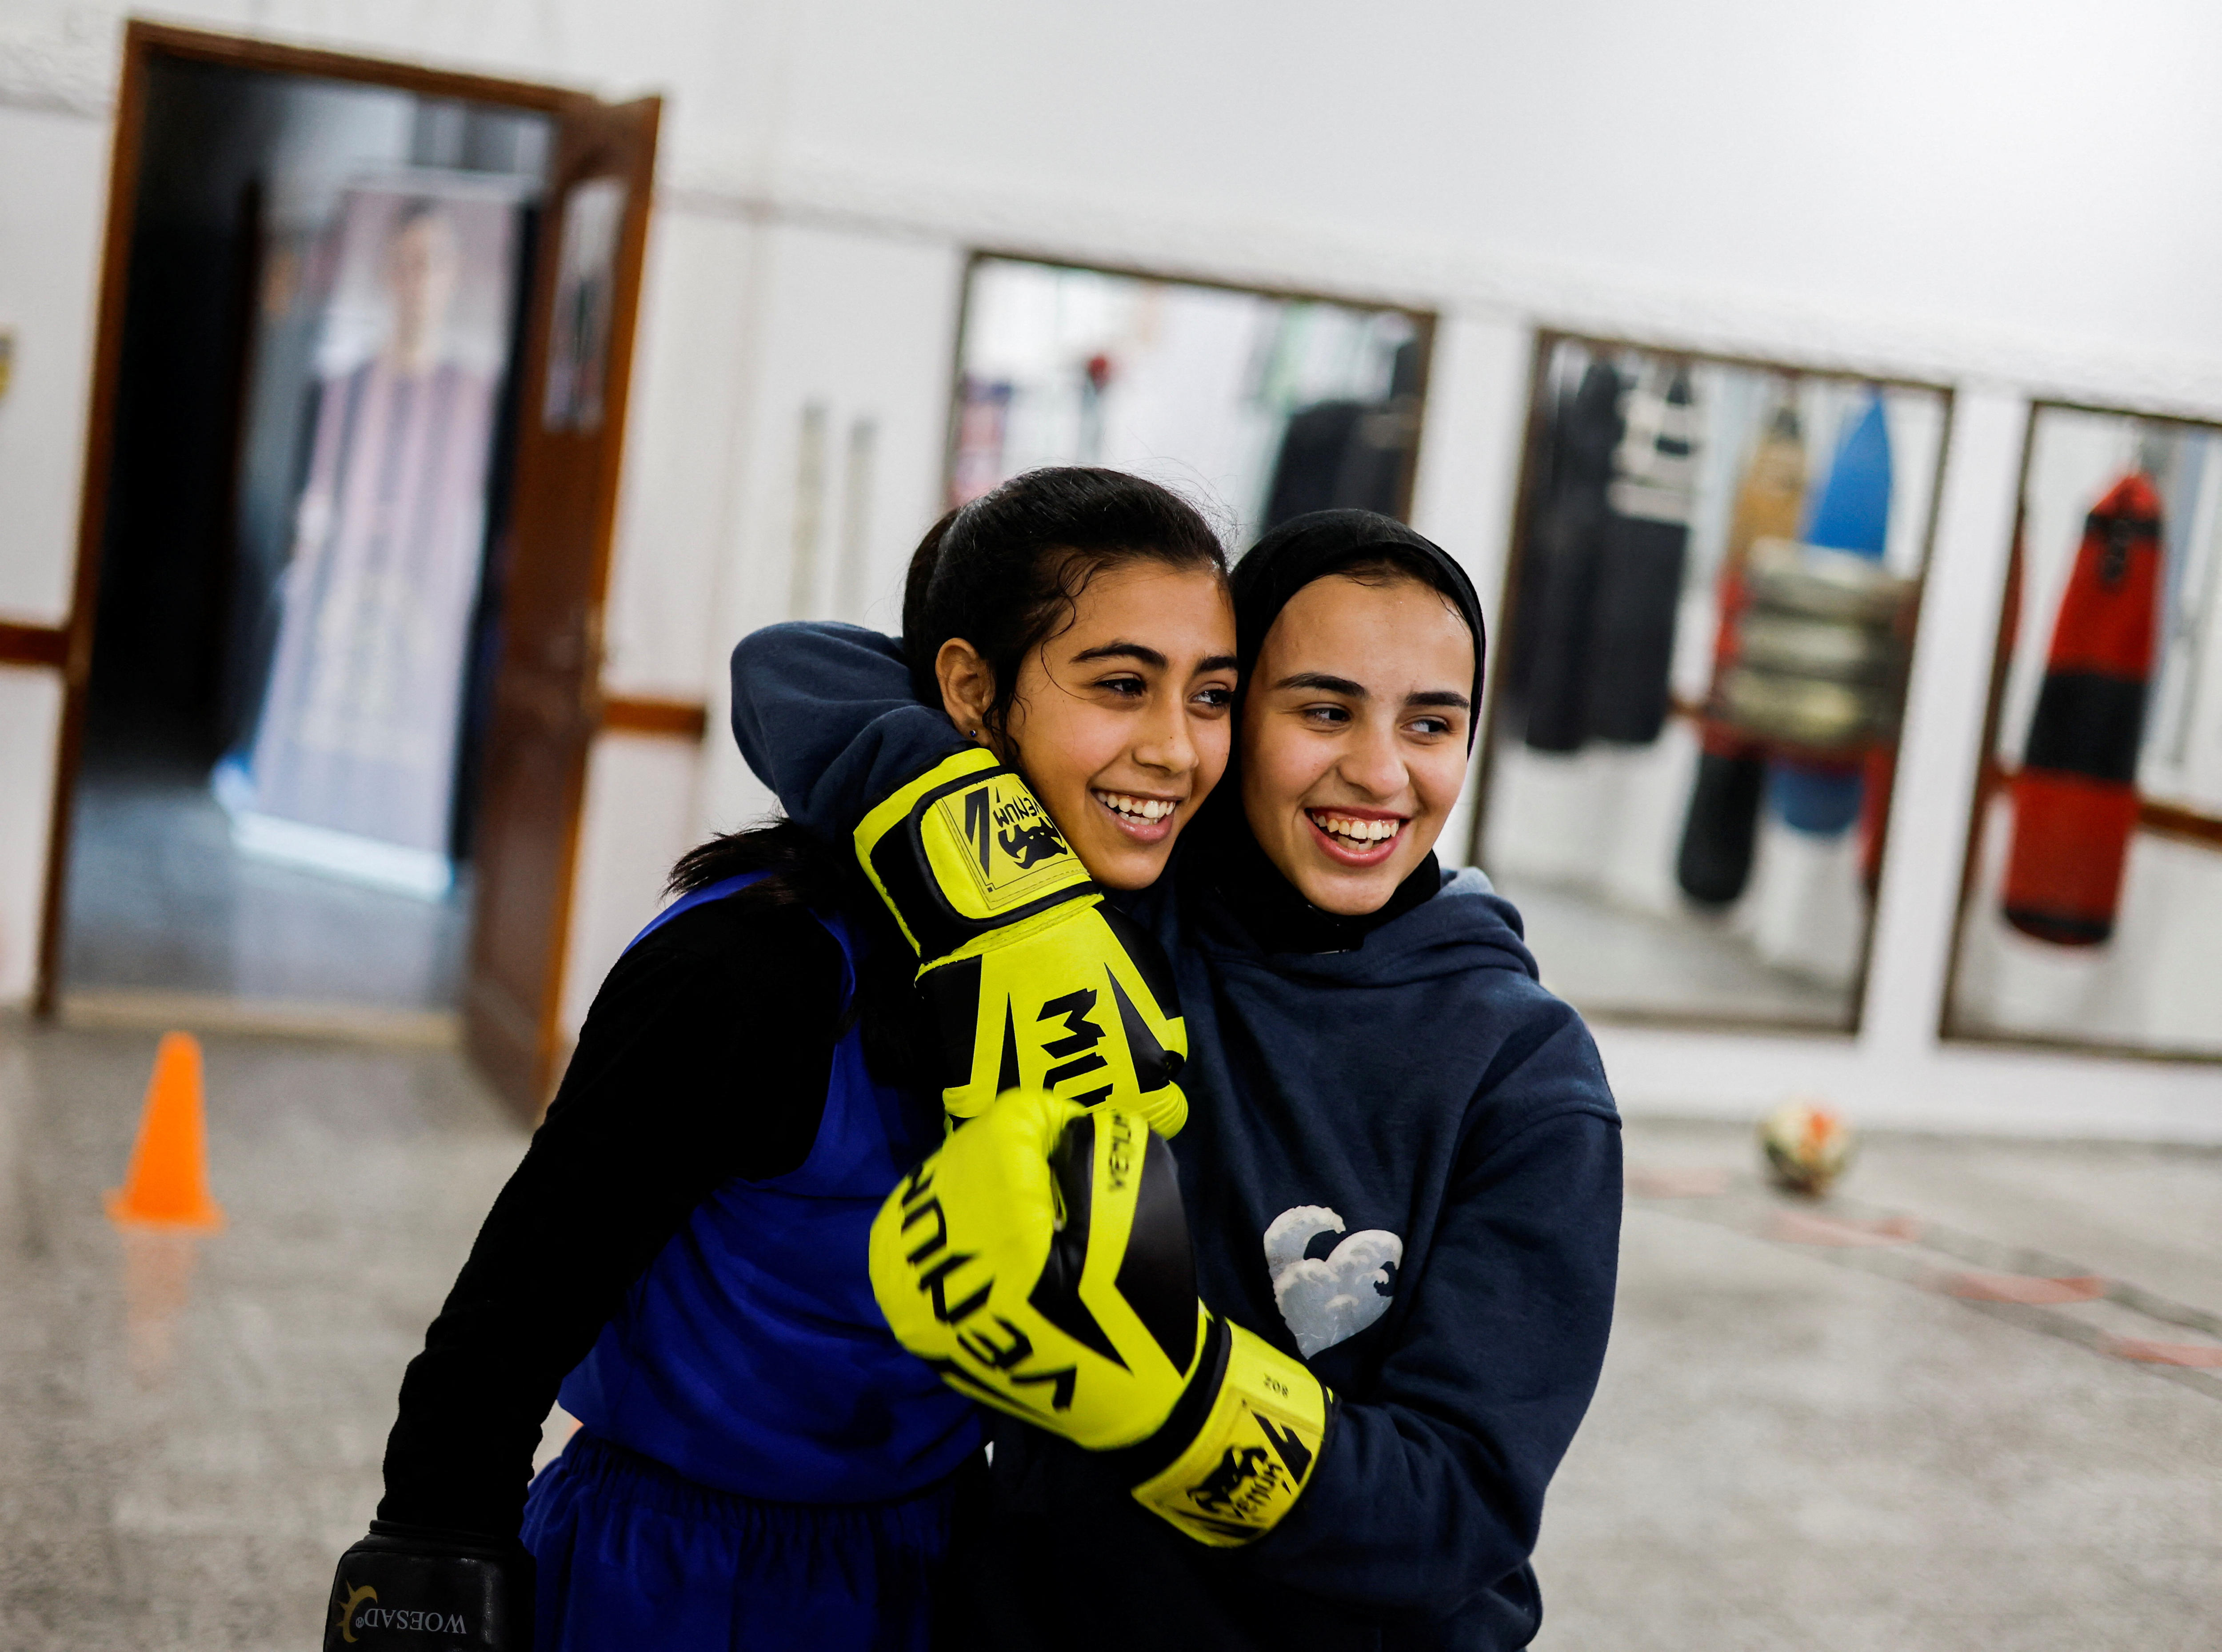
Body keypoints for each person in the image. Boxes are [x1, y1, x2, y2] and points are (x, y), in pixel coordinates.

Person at [321, 467, 1241, 1651]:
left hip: (930, 1562)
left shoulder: (1121, 947)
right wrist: (432, 1564)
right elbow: (514, 1306)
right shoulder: (763, 960)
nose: (1173, 748)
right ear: (968, 689)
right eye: (1121, 685)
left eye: (1210, 696)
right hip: (677, 1576)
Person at [730, 506, 1623, 1651]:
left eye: (1433, 723)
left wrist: (1179, 1405)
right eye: (1323, 709)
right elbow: (793, 667)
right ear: (1232, 714)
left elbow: (1457, 1508)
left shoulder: (1525, 1070)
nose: (1378, 771)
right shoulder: (1125, 907)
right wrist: (1006, 901)